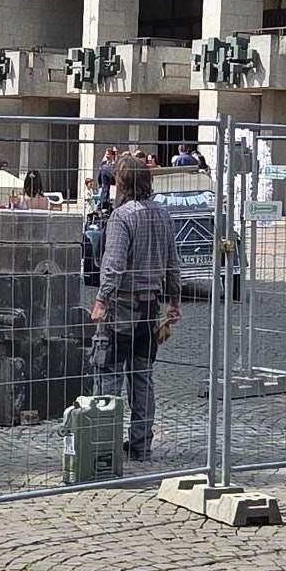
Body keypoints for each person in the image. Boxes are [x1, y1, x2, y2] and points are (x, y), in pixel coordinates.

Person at [91, 156, 181, 462]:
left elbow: (113, 265)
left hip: (121, 307)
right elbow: (172, 261)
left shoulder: (121, 217)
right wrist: (174, 299)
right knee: (142, 376)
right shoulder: (163, 215)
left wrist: (101, 299)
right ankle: (141, 444)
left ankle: (105, 446)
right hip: (150, 309)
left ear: (120, 182)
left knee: (110, 375)